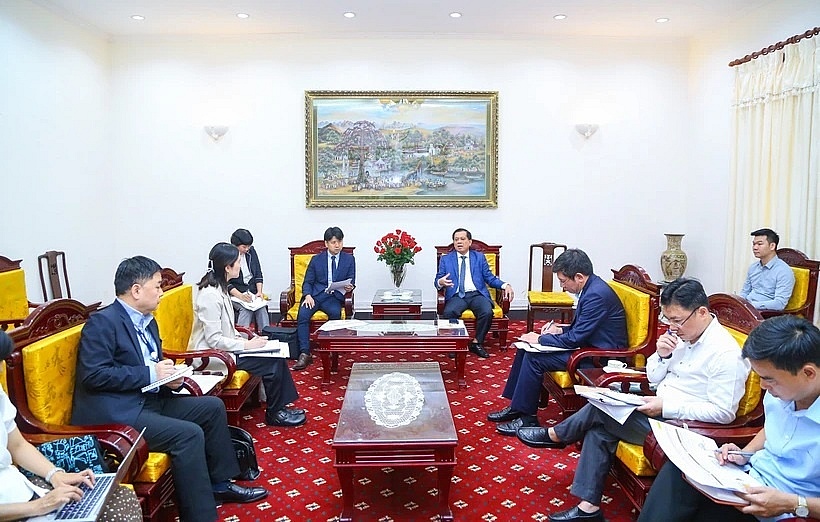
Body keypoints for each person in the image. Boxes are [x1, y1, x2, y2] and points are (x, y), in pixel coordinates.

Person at [516, 278, 751, 522]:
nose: (673, 328)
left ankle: (557, 435)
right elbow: (653, 377)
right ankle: (588, 509)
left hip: (683, 430)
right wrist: (662, 355)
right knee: (600, 425)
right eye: (668, 320)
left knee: (602, 412)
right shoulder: (684, 334)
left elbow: (723, 413)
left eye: (677, 320)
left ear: (701, 312)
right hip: (658, 409)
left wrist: (667, 406)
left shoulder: (725, 354)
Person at [71, 256, 268, 522]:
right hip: (119, 412)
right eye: (157, 286)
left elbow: (152, 362)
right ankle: (200, 516)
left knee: (211, 407)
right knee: (187, 435)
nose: (162, 293)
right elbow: (94, 375)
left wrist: (169, 378)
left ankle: (220, 484)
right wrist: (151, 373)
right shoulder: (103, 323)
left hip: (149, 398)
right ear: (136, 290)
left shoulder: (147, 320)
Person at [638, 315, 819, 522]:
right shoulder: (780, 393)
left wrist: (793, 504)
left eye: (769, 379)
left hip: (786, 509)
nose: (763, 386)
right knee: (678, 473)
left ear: (808, 373)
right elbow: (773, 428)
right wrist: (744, 453)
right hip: (750, 481)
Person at [0, 331, 142, 522]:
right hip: (12, 510)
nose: (1, 370)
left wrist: (55, 475)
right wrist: (37, 507)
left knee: (118, 500)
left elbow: (17, 445)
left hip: (18, 490)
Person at [487, 248, 626, 435]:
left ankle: (528, 419)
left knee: (535, 358)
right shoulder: (592, 287)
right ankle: (517, 407)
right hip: (589, 346)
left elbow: (575, 339)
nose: (562, 286)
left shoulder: (596, 295)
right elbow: (584, 328)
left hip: (598, 357)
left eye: (563, 281)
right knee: (525, 349)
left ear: (579, 277)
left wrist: (540, 339)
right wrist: (560, 329)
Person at [189, 242, 306, 428]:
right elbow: (213, 340)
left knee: (276, 355)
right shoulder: (209, 295)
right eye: (237, 262)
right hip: (212, 357)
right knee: (272, 363)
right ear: (227, 267)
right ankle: (275, 414)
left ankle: (280, 407)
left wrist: (251, 339)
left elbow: (227, 327)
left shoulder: (220, 288)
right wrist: (246, 345)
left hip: (227, 349)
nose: (240, 265)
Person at [434, 228, 514, 359]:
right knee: (449, 312)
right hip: (457, 295)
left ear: (470, 242)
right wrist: (440, 282)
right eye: (456, 239)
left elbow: (489, 278)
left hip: (476, 294)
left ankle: (477, 343)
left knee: (486, 311)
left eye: (462, 239)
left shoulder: (479, 257)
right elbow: (437, 279)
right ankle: (455, 343)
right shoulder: (446, 259)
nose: (459, 242)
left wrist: (505, 285)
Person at [294, 226, 356, 371]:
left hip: (333, 297)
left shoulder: (349, 259)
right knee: (303, 315)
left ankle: (331, 350)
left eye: (339, 242)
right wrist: (307, 295)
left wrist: (350, 287)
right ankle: (305, 353)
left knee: (335, 314)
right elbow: (308, 281)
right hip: (315, 296)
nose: (337, 245)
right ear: (326, 243)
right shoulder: (316, 260)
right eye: (334, 242)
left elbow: (351, 280)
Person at [738, 228, 795, 311]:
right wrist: (738, 303)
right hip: (747, 309)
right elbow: (745, 292)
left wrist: (751, 306)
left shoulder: (783, 271)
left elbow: (779, 304)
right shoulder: (753, 267)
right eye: (754, 244)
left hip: (766, 313)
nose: (755, 248)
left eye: (759, 244)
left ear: (772, 246)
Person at [228, 228, 270, 331]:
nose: (247, 249)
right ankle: (241, 337)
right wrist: (240, 296)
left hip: (251, 292)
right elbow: (226, 283)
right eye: (244, 247)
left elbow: (258, 273)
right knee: (246, 309)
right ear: (235, 245)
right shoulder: (228, 255)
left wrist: (259, 292)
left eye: (249, 246)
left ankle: (267, 334)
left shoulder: (251, 252)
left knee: (261, 307)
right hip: (235, 294)